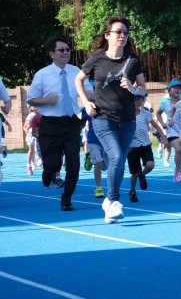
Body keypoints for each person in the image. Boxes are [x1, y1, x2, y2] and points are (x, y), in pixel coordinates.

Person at [76, 17, 147, 222]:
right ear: (107, 35)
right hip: (103, 118)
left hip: (127, 120)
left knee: (120, 160)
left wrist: (133, 89)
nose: (122, 36)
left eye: (125, 32)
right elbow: (78, 79)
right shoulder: (97, 59)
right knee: (115, 157)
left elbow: (143, 87)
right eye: (118, 32)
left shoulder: (133, 61)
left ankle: (108, 201)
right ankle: (114, 200)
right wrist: (85, 102)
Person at [27, 36, 88, 211]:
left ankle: (66, 198)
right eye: (61, 50)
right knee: (53, 164)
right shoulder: (42, 74)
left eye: (68, 50)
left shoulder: (76, 71)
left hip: (71, 123)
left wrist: (92, 97)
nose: (66, 53)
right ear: (52, 53)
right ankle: (48, 173)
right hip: (50, 124)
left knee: (73, 165)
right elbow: (31, 100)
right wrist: (46, 100)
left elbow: (88, 92)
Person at [127, 94, 167, 202]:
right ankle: (132, 191)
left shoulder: (146, 113)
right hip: (132, 147)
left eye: (139, 99)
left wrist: (163, 137)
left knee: (150, 165)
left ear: (143, 100)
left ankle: (142, 175)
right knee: (134, 173)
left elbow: (156, 125)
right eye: (135, 99)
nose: (137, 101)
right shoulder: (126, 115)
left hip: (145, 144)